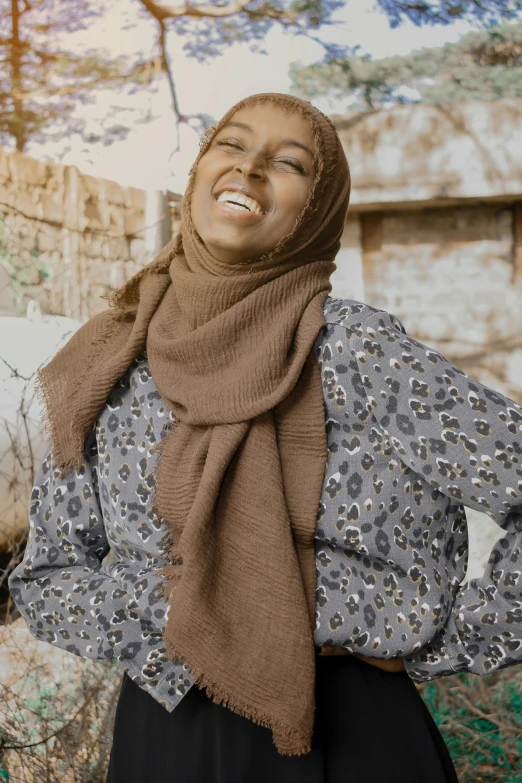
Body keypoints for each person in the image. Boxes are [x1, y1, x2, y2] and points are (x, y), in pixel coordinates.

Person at [10, 91, 521, 782]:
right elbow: (48, 578)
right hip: (166, 734)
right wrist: (191, 606)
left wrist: (449, 639)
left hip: (348, 733)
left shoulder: (359, 352)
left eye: (288, 162)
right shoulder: (109, 360)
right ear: (196, 175)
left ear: (316, 211)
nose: (248, 169)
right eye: (231, 144)